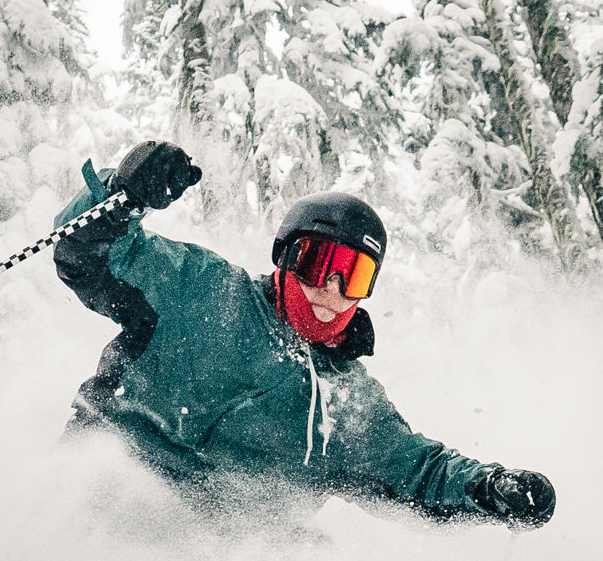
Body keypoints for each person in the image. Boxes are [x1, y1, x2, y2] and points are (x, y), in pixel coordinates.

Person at [51, 140, 556, 530]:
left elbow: (418, 469)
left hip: (208, 550)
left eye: (352, 276)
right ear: (286, 258)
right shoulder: (203, 290)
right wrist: (124, 196)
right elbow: (88, 253)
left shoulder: (346, 402)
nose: (331, 289)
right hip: (107, 484)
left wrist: (487, 487)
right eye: (319, 263)